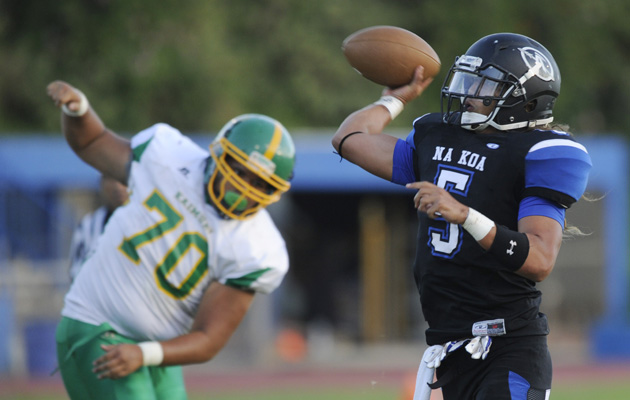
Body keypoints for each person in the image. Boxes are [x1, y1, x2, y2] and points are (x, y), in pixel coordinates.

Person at [332, 32, 591, 400]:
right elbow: (350, 138)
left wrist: (466, 215)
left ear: (525, 100)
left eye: (485, 85)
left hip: (508, 345)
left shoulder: (541, 153)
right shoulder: (438, 136)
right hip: (450, 347)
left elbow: (539, 259)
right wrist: (394, 99)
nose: (470, 93)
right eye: (469, 80)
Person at [47, 80, 296, 399]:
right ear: (218, 154)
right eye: (241, 172)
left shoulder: (259, 249)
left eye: (260, 183)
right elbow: (92, 142)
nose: (245, 189)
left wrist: (147, 353)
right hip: (98, 324)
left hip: (157, 352)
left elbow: (209, 338)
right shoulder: (167, 155)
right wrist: (80, 111)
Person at [68, 174, 128, 282]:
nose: (118, 187)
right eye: (111, 179)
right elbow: (75, 274)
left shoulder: (150, 221)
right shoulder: (88, 225)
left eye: (123, 180)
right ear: (101, 182)